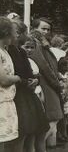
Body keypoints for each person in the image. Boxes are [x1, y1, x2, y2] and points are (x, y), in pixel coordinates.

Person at [7, 20, 50, 152]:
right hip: (18, 95)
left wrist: (34, 80)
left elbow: (29, 72)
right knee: (23, 132)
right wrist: (27, 81)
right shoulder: (9, 52)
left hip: (28, 94)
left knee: (36, 130)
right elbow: (13, 74)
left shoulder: (21, 51)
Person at [29, 18, 64, 149]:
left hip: (48, 82)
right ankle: (35, 147)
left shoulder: (43, 43)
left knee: (52, 118)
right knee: (54, 116)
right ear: (35, 28)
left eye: (48, 29)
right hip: (45, 82)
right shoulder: (35, 43)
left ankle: (41, 147)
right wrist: (56, 82)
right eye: (43, 28)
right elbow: (43, 65)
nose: (46, 31)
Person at [0, 17, 22, 152]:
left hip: (6, 100)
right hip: (1, 101)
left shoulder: (4, 51)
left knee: (4, 141)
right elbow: (3, 79)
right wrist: (18, 78)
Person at [57, 57, 68, 143]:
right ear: (63, 66)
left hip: (66, 97)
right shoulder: (57, 75)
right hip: (59, 97)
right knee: (60, 116)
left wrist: (67, 95)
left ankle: (65, 133)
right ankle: (59, 134)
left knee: (65, 116)